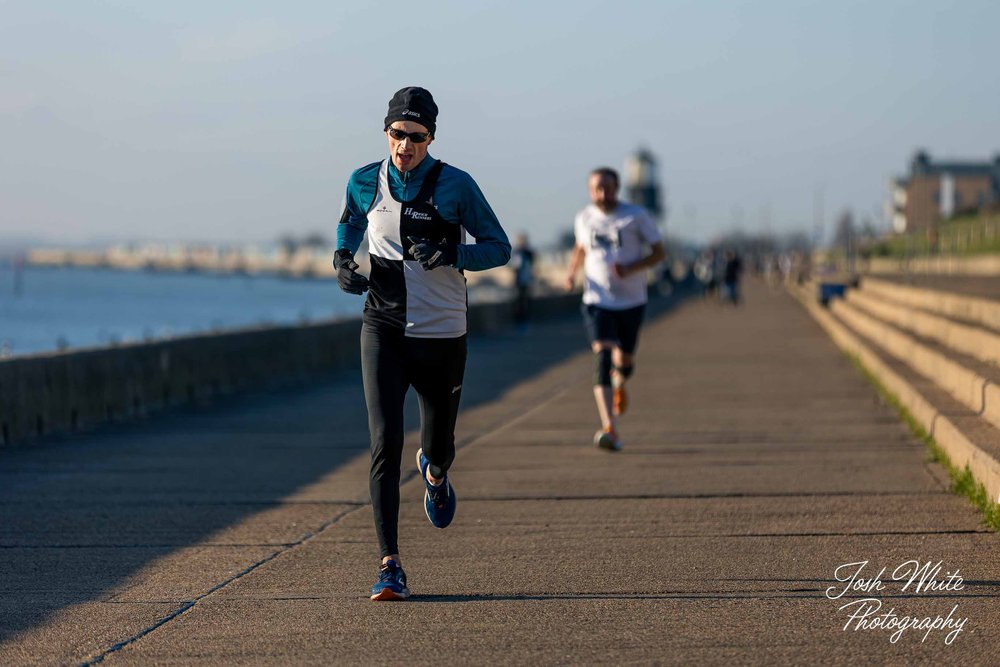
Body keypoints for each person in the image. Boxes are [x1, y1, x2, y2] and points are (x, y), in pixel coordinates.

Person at [334, 87, 511, 601]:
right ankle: (389, 564)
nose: (403, 146)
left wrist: (451, 252)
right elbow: (348, 222)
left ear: (430, 137)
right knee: (384, 443)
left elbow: (498, 248)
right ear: (385, 132)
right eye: (396, 135)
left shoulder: (456, 185)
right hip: (382, 328)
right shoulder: (365, 179)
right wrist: (343, 262)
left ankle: (435, 474)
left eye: (414, 137)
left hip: (441, 335)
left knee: (439, 447)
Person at [563, 167, 665, 452]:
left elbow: (659, 252)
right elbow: (581, 248)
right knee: (602, 355)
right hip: (597, 301)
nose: (602, 193)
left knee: (625, 361)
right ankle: (610, 427)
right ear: (589, 190)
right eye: (597, 188)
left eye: (607, 187)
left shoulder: (636, 216)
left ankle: (620, 383)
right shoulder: (584, 218)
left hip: (632, 302)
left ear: (618, 188)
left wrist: (632, 267)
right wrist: (571, 273)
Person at [509, 232, 536, 332]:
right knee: (519, 302)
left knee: (527, 302)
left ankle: (525, 322)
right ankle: (520, 323)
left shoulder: (527, 253)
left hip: (527, 280)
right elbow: (515, 268)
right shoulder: (517, 252)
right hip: (520, 281)